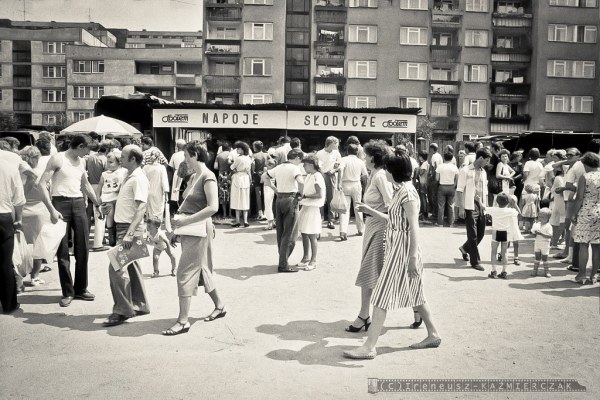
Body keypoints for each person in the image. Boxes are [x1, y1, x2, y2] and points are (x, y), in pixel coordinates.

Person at [343, 152, 441, 360]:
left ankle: (369, 346)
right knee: (416, 293)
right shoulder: (401, 190)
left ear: (393, 171)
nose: (384, 171)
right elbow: (395, 220)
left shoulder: (407, 193)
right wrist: (371, 211)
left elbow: (413, 227)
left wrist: (412, 257)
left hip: (402, 251)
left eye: (387, 168)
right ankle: (433, 334)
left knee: (381, 297)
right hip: (398, 247)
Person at [164, 141, 224, 335]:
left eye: (186, 155)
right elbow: (186, 207)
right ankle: (220, 306)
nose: (184, 159)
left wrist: (185, 222)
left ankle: (183, 321)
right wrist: (178, 230)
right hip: (191, 229)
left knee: (185, 272)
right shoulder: (194, 176)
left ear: (196, 155)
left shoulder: (207, 176)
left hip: (198, 229)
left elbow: (213, 207)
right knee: (201, 269)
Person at [38, 133, 100, 307]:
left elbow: (85, 184)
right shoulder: (58, 159)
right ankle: (68, 292)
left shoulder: (82, 162)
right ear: (80, 146)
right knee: (63, 251)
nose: (88, 153)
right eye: (87, 150)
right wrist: (51, 209)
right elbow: (41, 184)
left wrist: (97, 203)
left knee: (83, 248)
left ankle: (81, 289)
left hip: (78, 203)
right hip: (60, 203)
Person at [345, 140, 394, 333]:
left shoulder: (380, 176)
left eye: (365, 155)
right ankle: (364, 314)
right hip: (372, 227)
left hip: (380, 228)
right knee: (372, 272)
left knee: (370, 271)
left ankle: (364, 315)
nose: (363, 158)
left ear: (373, 158)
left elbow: (392, 207)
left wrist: (369, 210)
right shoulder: (374, 174)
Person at [103, 145, 151, 327]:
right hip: (124, 227)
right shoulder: (128, 176)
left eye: (123, 156)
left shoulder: (138, 178)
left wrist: (130, 233)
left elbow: (141, 207)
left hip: (129, 229)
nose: (119, 158)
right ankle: (140, 305)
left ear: (133, 159)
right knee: (132, 267)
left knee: (115, 268)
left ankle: (122, 310)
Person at [263, 149, 305, 273]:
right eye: (300, 160)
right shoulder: (295, 168)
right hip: (291, 198)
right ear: (297, 158)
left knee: (280, 231)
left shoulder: (279, 167)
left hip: (280, 198)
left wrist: (275, 189)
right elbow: (301, 182)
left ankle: (282, 259)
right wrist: (300, 194)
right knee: (290, 232)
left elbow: (264, 176)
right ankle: (283, 264)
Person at [19, 146, 54, 286]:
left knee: (20, 246)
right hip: (39, 212)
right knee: (38, 245)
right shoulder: (40, 174)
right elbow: (48, 194)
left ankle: (19, 277)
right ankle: (35, 276)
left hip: (20, 212)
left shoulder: (17, 174)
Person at [457, 148, 491, 271]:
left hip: (481, 205)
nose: (487, 163)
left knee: (481, 234)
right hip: (469, 206)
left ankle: (465, 248)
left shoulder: (484, 172)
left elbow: (485, 191)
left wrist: (486, 207)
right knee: (473, 235)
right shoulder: (465, 170)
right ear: (480, 158)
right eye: (486, 160)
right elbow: (459, 190)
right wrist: (461, 208)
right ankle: (475, 262)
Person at [0, 152, 26, 314]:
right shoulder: (9, 167)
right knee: (5, 262)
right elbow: (19, 199)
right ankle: (9, 304)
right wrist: (19, 219)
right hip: (3, 217)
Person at [570, 152, 600, 284]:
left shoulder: (585, 177)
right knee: (597, 246)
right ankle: (593, 276)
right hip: (599, 211)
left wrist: (574, 213)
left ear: (587, 164)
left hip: (586, 211)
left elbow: (579, 197)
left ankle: (581, 275)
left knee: (583, 244)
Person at [296, 155, 325, 271]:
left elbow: (319, 194)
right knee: (304, 233)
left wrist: (305, 196)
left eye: (305, 165)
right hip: (306, 207)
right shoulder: (309, 175)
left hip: (312, 208)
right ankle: (305, 258)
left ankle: (314, 260)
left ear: (312, 165)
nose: (303, 166)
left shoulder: (317, 176)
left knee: (312, 235)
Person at [97, 150, 127, 246]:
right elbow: (100, 186)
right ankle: (111, 234)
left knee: (118, 215)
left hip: (118, 196)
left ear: (119, 162)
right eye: (107, 162)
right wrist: (98, 197)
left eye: (111, 162)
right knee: (110, 213)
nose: (108, 164)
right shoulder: (104, 174)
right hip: (107, 196)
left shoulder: (123, 172)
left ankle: (118, 234)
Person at [485, 193, 519, 279]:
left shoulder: (494, 210)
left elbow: (483, 207)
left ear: (497, 201)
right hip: (506, 232)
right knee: (505, 253)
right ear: (508, 202)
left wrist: (478, 200)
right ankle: (504, 271)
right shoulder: (510, 211)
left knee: (493, 252)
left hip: (496, 232)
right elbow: (518, 212)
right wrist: (514, 204)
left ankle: (493, 271)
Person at [338, 144, 367, 240]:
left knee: (345, 209)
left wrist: (339, 183)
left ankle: (343, 231)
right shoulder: (360, 161)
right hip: (356, 184)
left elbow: (340, 169)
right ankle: (360, 229)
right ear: (357, 152)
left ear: (347, 151)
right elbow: (365, 175)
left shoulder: (344, 159)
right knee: (358, 207)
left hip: (345, 184)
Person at [316, 136, 342, 229]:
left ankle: (331, 220)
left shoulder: (336, 153)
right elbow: (317, 167)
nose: (338, 145)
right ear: (331, 143)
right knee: (321, 197)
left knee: (331, 198)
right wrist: (322, 174)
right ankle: (319, 219)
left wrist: (334, 170)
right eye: (336, 143)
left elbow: (340, 165)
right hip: (322, 176)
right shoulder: (319, 153)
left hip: (331, 176)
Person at [87, 140, 109, 251]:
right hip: (100, 187)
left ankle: (88, 240)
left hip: (89, 186)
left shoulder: (90, 157)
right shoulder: (104, 159)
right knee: (100, 216)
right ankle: (98, 243)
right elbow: (106, 175)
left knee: (89, 215)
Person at [143, 150, 170, 222]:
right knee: (158, 211)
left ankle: (150, 226)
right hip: (158, 192)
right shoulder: (162, 168)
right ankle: (157, 226)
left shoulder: (145, 168)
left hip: (148, 192)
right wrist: (166, 194)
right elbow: (164, 181)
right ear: (158, 158)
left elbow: (143, 181)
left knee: (149, 211)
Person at [230, 141, 252, 227]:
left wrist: (235, 170)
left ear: (242, 149)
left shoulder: (238, 158)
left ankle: (238, 221)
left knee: (237, 199)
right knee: (245, 199)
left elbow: (232, 167)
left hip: (238, 177)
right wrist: (250, 179)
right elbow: (249, 170)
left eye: (238, 148)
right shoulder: (248, 158)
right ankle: (245, 221)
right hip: (246, 178)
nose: (237, 150)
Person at [435, 151, 459, 227]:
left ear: (444, 158)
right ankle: (451, 223)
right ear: (452, 158)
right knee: (451, 205)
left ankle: (440, 223)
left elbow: (436, 178)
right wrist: (454, 185)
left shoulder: (440, 166)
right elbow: (457, 179)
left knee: (441, 206)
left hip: (442, 186)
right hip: (451, 186)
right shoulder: (454, 167)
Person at [530, 208, 553, 278]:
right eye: (539, 216)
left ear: (548, 218)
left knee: (545, 258)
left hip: (545, 244)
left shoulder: (548, 226)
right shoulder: (537, 225)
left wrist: (541, 233)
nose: (540, 218)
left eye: (543, 217)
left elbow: (550, 236)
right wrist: (534, 233)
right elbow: (534, 235)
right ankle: (535, 270)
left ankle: (546, 271)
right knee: (537, 257)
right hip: (537, 243)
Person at [549, 168, 566, 249]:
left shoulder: (558, 178)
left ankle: (553, 242)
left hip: (557, 202)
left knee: (555, 222)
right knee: (562, 222)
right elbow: (560, 191)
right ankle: (554, 242)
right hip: (561, 202)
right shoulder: (559, 178)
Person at [169, 139, 187, 213]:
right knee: (184, 189)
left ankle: (177, 207)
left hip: (177, 173)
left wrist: (175, 171)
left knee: (177, 191)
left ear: (177, 146)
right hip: (186, 173)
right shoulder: (186, 154)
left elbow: (171, 166)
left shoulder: (174, 155)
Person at [215, 140, 232, 219]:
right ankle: (230, 213)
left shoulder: (218, 156)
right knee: (231, 193)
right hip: (229, 175)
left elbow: (215, 167)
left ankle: (224, 214)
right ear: (229, 148)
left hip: (221, 175)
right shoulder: (231, 155)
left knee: (222, 194)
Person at [252, 141, 268, 221]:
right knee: (265, 193)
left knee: (258, 194)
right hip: (265, 174)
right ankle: (266, 212)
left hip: (257, 175)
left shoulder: (254, 155)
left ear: (255, 147)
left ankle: (260, 213)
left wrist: (253, 171)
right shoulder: (266, 154)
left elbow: (253, 165)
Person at [427, 143, 443, 220]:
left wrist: (432, 176)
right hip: (440, 177)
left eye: (430, 148)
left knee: (433, 196)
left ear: (432, 149)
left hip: (435, 177)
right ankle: (436, 213)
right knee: (436, 196)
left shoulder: (434, 156)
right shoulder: (439, 155)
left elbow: (435, 166)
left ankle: (434, 214)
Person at [261, 158, 277, 230]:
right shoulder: (274, 171)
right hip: (272, 188)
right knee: (270, 205)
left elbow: (261, 181)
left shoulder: (267, 171)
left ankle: (270, 223)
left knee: (268, 205)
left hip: (267, 188)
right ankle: (272, 222)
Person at [416, 150, 429, 220]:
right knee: (423, 197)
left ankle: (424, 212)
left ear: (421, 157)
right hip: (424, 182)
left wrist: (418, 169)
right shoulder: (426, 163)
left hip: (422, 183)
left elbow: (420, 173)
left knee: (423, 197)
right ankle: (425, 211)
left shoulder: (424, 164)